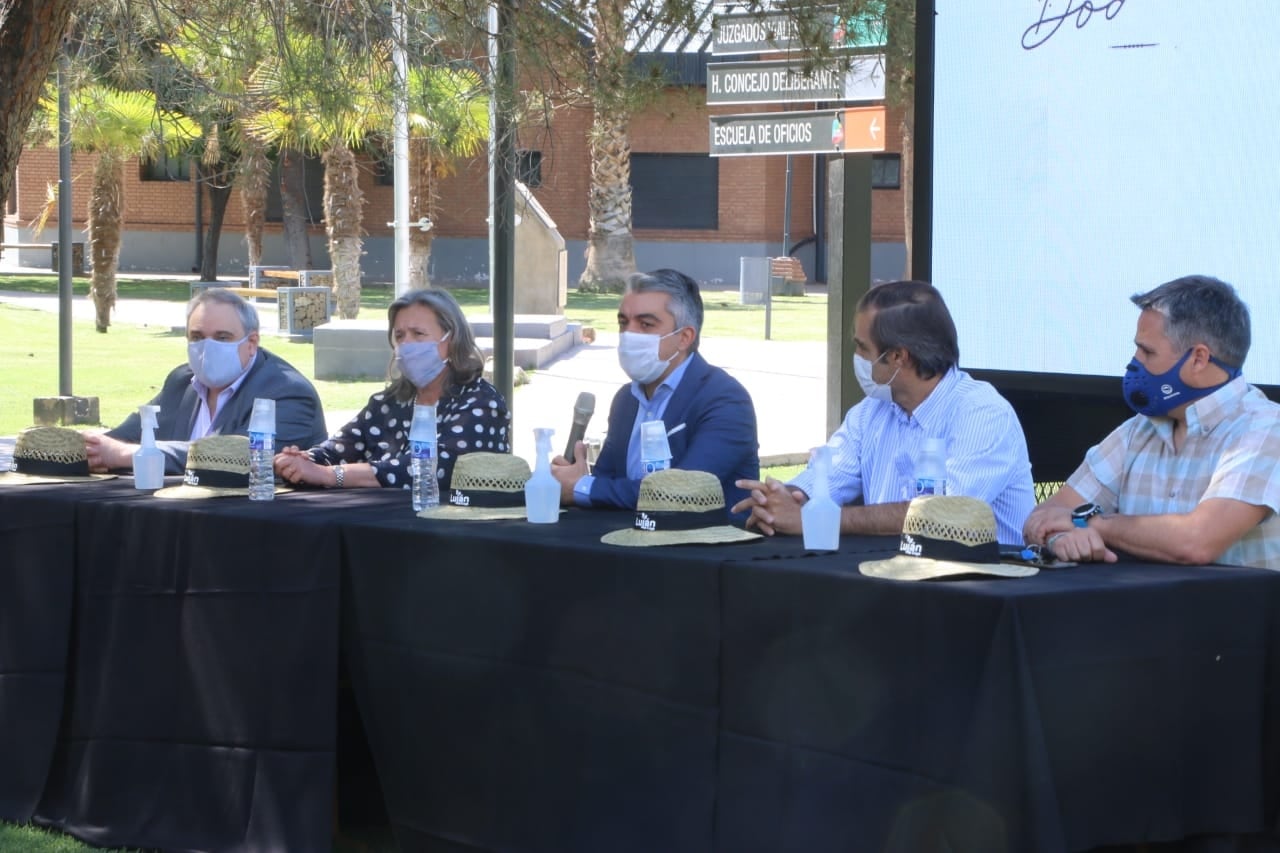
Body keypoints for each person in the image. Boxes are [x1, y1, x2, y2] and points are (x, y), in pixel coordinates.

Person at [733, 279, 1035, 544]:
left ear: (898, 357)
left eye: (862, 348)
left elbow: (939, 514)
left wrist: (816, 521)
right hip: (894, 577)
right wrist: (785, 497)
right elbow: (829, 477)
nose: (856, 357)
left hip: (985, 589)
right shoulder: (871, 412)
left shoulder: (982, 413)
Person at [1024, 275, 1280, 569]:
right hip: (1140, 614)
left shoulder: (1266, 429)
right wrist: (1060, 539)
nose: (1134, 363)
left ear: (1198, 359)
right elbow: (1045, 516)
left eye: (1147, 351)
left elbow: (1197, 542)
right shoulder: (1139, 430)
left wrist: (1095, 525)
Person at [550, 268, 759, 511]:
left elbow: (682, 492)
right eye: (623, 322)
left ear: (684, 337)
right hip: (629, 542)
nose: (629, 334)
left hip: (704, 544)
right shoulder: (626, 400)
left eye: (646, 324)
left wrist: (582, 487)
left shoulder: (724, 400)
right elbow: (607, 482)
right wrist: (575, 479)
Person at [273, 288, 510, 490]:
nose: (406, 344)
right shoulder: (389, 403)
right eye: (399, 335)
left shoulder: (481, 402)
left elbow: (432, 470)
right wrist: (299, 461)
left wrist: (329, 475)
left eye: (418, 334)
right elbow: (337, 449)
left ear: (451, 339)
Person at [85, 288, 326, 474]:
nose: (207, 348)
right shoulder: (182, 381)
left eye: (222, 337)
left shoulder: (287, 391)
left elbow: (241, 457)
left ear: (251, 343)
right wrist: (90, 448)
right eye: (197, 337)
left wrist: (130, 454)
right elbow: (122, 437)